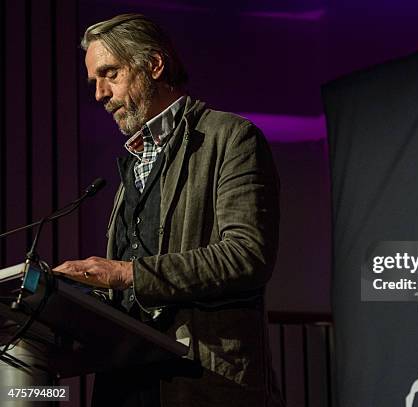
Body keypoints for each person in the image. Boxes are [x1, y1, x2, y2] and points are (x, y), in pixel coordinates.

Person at [53, 13, 284, 407]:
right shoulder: (132, 160)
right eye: (94, 81)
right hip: (124, 381)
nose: (99, 94)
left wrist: (127, 274)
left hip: (200, 380)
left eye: (110, 74)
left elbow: (247, 255)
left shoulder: (230, 137)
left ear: (154, 66)